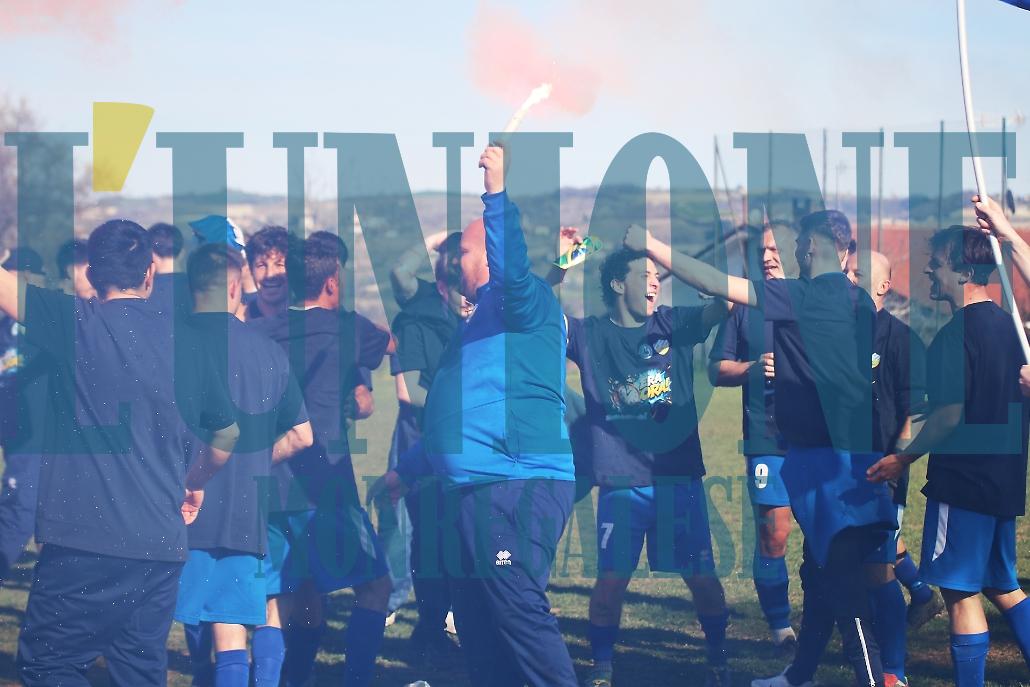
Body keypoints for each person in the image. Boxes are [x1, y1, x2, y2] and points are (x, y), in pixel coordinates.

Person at [622, 210, 895, 687]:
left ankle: (872, 679)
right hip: (853, 460)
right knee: (818, 573)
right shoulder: (858, 300)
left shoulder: (803, 295)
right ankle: (799, 675)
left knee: (844, 589)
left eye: (796, 247)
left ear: (811, 249)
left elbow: (714, 281)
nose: (792, 255)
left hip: (826, 467)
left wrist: (651, 244)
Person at [0, 219, 240, 687]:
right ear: (150, 272)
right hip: (160, 544)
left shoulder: (75, 322)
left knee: (50, 666)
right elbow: (226, 435)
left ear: (91, 274)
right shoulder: (188, 341)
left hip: (83, 542)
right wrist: (195, 482)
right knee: (139, 672)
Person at [375, 144, 579, 687]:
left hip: (514, 483)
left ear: (488, 253)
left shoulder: (525, 302)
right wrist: (406, 470)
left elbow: (512, 275)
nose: (451, 263)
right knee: (479, 626)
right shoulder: (476, 324)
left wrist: (496, 194)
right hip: (472, 488)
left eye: (462, 252)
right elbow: (454, 417)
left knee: (516, 611)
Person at [868, 225, 1030, 687]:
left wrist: (903, 458)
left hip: (963, 486)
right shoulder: (1013, 330)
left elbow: (946, 415)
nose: (927, 271)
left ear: (962, 271)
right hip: (1004, 483)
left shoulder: (954, 335)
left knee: (960, 594)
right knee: (1003, 585)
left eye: (936, 263)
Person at [565, 244, 733, 687]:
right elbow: (539, 316)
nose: (656, 282)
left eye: (659, 276)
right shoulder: (588, 334)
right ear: (618, 284)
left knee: (702, 580)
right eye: (645, 275)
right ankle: (602, 668)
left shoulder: (674, 324)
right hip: (621, 484)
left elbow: (725, 303)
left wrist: (670, 257)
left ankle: (718, 657)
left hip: (678, 478)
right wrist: (562, 263)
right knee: (610, 583)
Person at [251, 230, 395, 687]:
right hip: (326, 488)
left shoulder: (258, 333)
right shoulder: (346, 328)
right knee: (376, 587)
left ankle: (282, 680)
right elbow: (395, 344)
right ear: (333, 282)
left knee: (283, 599)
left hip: (270, 488)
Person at [173, 244, 313, 687]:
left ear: (191, 287)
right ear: (235, 287)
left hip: (175, 509)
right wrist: (251, 458)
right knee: (231, 631)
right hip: (243, 514)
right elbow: (302, 435)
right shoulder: (268, 351)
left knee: (157, 627)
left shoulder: (169, 343)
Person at [709, 222, 798, 651]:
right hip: (766, 437)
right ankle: (780, 625)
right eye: (760, 251)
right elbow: (716, 368)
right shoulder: (745, 307)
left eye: (775, 248)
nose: (767, 257)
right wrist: (751, 368)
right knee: (773, 534)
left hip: (816, 437)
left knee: (825, 533)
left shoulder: (814, 300)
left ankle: (832, 612)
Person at [380, 228, 468, 663]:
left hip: (466, 441)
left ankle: (445, 621)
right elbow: (408, 393)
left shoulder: (479, 316)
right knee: (425, 537)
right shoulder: (418, 315)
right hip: (424, 440)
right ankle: (428, 621)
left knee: (458, 535)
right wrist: (439, 239)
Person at [849, 249, 932, 687]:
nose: (849, 279)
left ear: (883, 286)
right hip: (838, 471)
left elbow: (916, 411)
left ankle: (893, 673)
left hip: (881, 470)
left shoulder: (901, 339)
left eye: (859, 274)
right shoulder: (833, 336)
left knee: (878, 570)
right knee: (853, 569)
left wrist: (897, 461)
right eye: (846, 272)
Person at [0, 249, 49, 587]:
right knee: (21, 501)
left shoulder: (45, 320)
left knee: (27, 502)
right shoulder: (5, 323)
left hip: (38, 424)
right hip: (16, 422)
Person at [245, 226, 290, 321]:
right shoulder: (239, 322)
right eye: (261, 265)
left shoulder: (308, 322)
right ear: (251, 270)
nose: (269, 274)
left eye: (279, 264)